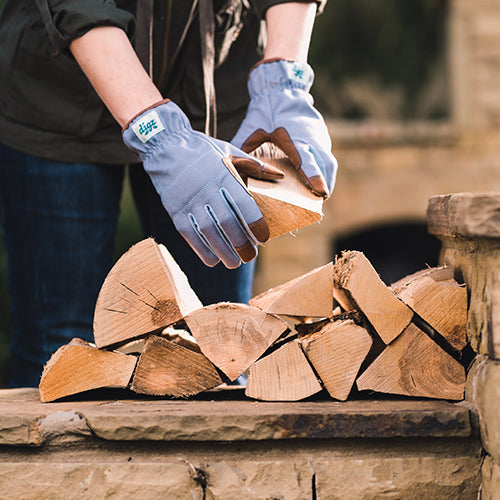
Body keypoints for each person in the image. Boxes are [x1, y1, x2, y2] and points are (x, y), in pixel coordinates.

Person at [0, 0, 337, 387]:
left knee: (222, 344)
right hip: (55, 92)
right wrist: (158, 133)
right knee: (56, 346)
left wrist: (283, 80)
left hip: (210, 88)